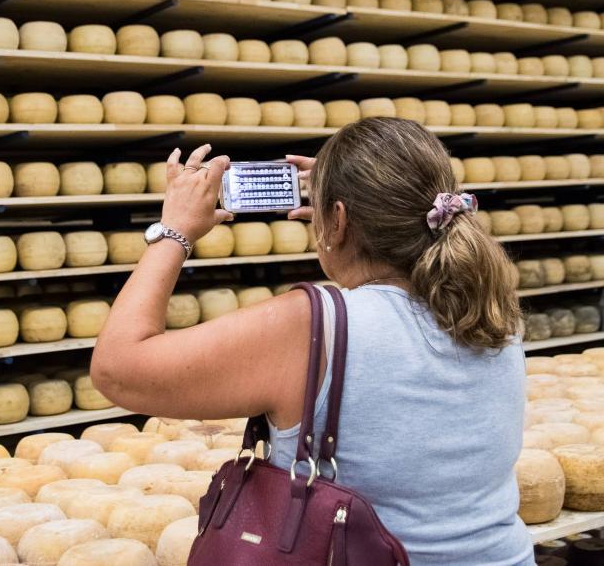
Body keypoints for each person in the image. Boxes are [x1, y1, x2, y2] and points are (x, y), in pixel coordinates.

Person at [91, 116, 534, 565]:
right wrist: (345, 207)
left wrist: (175, 231)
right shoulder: (495, 311)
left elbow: (117, 370)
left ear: (337, 220)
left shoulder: (315, 324)